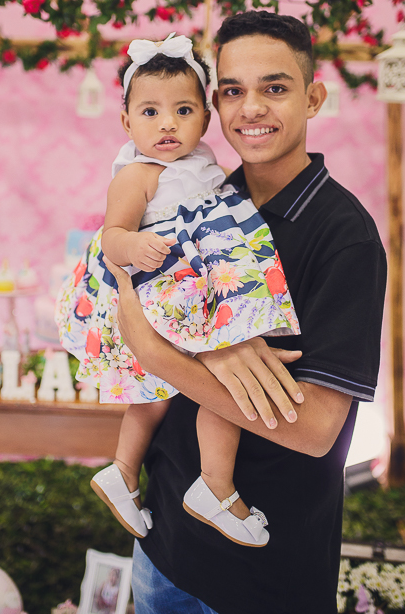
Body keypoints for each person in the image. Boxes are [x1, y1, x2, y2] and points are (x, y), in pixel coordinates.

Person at [105, 11, 387, 614]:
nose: (251, 108)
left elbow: (316, 432)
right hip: (164, 543)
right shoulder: (199, 198)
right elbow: (120, 289)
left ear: (313, 98)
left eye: (274, 87)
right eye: (232, 90)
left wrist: (161, 353)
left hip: (265, 571)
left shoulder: (345, 237)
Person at [56, 32, 302, 549]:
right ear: (126, 122)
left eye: (183, 110)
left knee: (161, 395)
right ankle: (215, 485)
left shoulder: (204, 164)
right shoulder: (137, 175)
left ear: (205, 120)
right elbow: (112, 235)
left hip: (195, 289)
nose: (167, 123)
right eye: (150, 112)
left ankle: (124, 472)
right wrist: (133, 244)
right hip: (163, 288)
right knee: (222, 382)